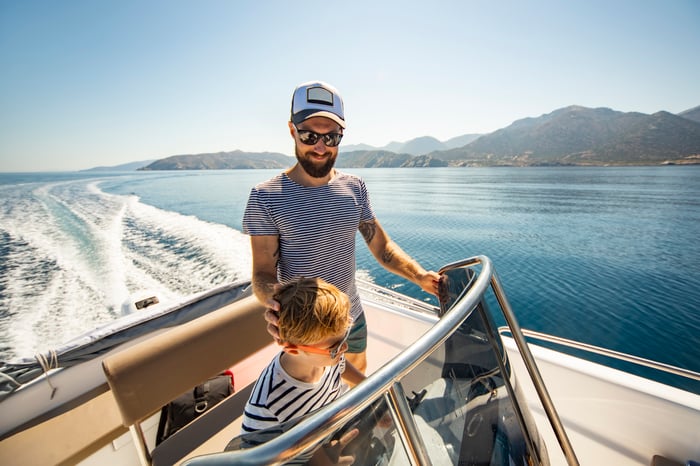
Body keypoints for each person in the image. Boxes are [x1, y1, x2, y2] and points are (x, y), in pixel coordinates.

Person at [242, 80, 441, 374]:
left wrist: (421, 276)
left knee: (357, 376)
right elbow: (262, 274)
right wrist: (277, 304)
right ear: (291, 131)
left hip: (352, 315)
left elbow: (382, 248)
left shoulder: (355, 188)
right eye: (309, 135)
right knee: (313, 391)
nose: (321, 147)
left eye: (331, 137)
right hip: (305, 329)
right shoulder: (266, 197)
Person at [240, 277, 363, 464]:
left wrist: (372, 387)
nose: (344, 348)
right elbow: (259, 459)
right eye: (335, 347)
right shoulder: (270, 404)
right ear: (293, 349)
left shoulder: (328, 359)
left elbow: (343, 367)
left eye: (345, 335)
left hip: (328, 433)